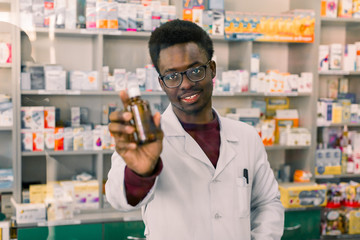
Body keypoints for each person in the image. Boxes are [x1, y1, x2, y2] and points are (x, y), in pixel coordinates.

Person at [106, 19, 284, 240]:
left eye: (195, 70)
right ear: (162, 84)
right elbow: (119, 200)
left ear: (212, 69)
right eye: (172, 76)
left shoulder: (246, 136)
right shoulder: (145, 138)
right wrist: (142, 173)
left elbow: (267, 202)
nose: (185, 84)